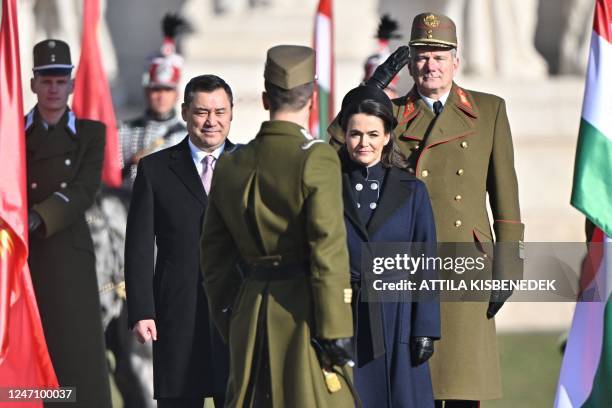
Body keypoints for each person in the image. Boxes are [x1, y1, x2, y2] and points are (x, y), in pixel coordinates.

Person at [328, 12, 524, 408]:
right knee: (416, 392)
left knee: (464, 391)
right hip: (408, 272)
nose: (429, 65)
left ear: (456, 60)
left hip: (466, 267)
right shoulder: (392, 115)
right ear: (411, 62)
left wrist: (509, 265)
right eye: (421, 56)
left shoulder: (489, 110)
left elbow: (505, 196)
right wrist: (369, 90)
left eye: (438, 55)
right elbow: (329, 154)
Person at [200, 45, 355, 407]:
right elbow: (328, 248)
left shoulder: (231, 163)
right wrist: (336, 329)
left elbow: (213, 258)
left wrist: (232, 317)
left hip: (250, 311)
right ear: (313, 98)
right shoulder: (317, 158)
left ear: (266, 97)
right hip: (304, 315)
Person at [97, 14, 191, 408]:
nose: (160, 96)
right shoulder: (126, 129)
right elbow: (110, 175)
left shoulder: (186, 134)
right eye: (154, 89)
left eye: (167, 90)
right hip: (125, 228)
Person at [125, 74, 235, 408]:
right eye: (202, 112)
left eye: (220, 112)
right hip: (177, 313)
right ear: (185, 111)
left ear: (232, 113)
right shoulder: (155, 169)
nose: (211, 121)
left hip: (236, 312)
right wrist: (142, 309)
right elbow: (140, 245)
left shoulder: (250, 165)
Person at [337, 85, 440, 407]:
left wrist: (425, 327)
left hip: (397, 318)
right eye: (355, 134)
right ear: (343, 135)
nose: (363, 143)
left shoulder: (412, 190)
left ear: (387, 136)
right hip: (342, 315)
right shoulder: (324, 184)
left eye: (372, 134)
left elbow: (427, 262)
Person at [25, 39, 111, 408]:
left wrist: (38, 216)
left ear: (73, 84)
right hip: (23, 259)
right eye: (46, 81)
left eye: (61, 80)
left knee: (76, 359)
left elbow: (83, 190)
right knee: (30, 353)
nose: (54, 89)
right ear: (33, 84)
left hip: (68, 257)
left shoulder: (90, 134)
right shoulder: (12, 134)